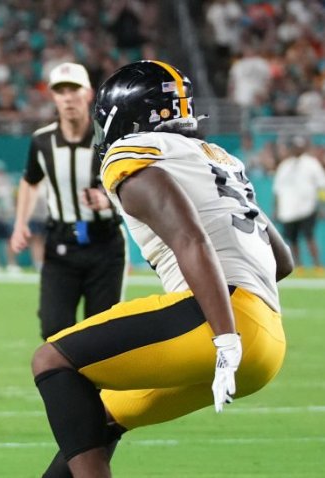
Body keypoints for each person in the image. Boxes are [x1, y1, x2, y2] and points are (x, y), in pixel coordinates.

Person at [31, 60, 293, 477]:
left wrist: (225, 338)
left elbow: (191, 238)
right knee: (94, 421)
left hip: (221, 321)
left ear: (126, 115)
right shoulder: (219, 157)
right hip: (267, 341)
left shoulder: (131, 152)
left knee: (51, 360)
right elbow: (282, 261)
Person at [10, 62, 127, 340]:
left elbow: (133, 183)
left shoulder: (110, 140)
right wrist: (20, 223)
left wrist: (108, 202)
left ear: (88, 94)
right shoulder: (42, 141)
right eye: (60, 91)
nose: (67, 97)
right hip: (61, 244)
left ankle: (98, 385)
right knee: (54, 329)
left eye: (73, 89)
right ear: (53, 97)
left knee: (102, 333)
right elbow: (30, 179)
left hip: (104, 244)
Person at [272, 135, 325, 272]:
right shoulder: (285, 165)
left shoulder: (312, 163)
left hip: (308, 207)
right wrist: (276, 209)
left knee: (309, 236)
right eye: (295, 147)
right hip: (288, 209)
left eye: (300, 147)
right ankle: (299, 265)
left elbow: (321, 186)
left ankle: (317, 265)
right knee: (293, 239)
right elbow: (277, 190)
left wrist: (321, 205)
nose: (298, 150)